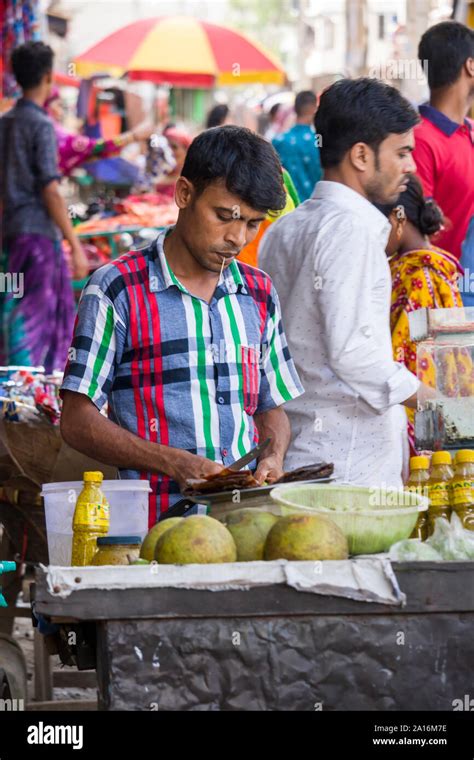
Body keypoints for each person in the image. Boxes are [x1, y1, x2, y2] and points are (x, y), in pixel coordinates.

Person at [60, 126, 304, 524]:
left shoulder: (258, 292)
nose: (236, 238)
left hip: (243, 525)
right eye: (225, 217)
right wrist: (172, 462)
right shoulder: (116, 289)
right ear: (185, 194)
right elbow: (76, 420)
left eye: (252, 224)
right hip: (151, 528)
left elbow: (269, 408)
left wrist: (272, 456)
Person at [260, 77, 434, 489]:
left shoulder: (286, 228)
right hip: (348, 468)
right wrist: (438, 402)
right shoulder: (350, 230)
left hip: (305, 452)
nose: (409, 166)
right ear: (361, 155)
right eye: (402, 152)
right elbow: (353, 352)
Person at [0, 42, 89, 372]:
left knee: (11, 308)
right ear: (48, 77)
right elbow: (50, 190)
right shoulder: (41, 125)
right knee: (36, 318)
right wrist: (75, 245)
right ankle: (30, 402)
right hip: (37, 242)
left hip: (10, 240)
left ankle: (10, 393)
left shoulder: (5, 122)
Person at [376, 174, 465, 453]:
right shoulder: (435, 268)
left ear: (397, 217)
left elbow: (409, 362)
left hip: (424, 425)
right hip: (450, 417)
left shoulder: (416, 279)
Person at [413, 21, 474, 261]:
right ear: (470, 65)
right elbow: (417, 229)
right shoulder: (419, 140)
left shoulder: (470, 131)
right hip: (449, 292)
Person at [45, 87, 153, 177]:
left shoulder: (46, 128)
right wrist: (133, 136)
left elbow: (92, 152)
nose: (60, 111)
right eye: (58, 105)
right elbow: (96, 147)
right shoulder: (51, 132)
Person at [272, 90, 322, 202]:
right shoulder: (319, 142)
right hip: (314, 206)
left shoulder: (278, 141)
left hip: (286, 208)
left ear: (295, 109)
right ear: (314, 108)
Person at [153, 126, 192, 199]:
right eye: (166, 146)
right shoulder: (156, 170)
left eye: (174, 147)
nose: (169, 151)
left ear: (186, 151)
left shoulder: (191, 180)